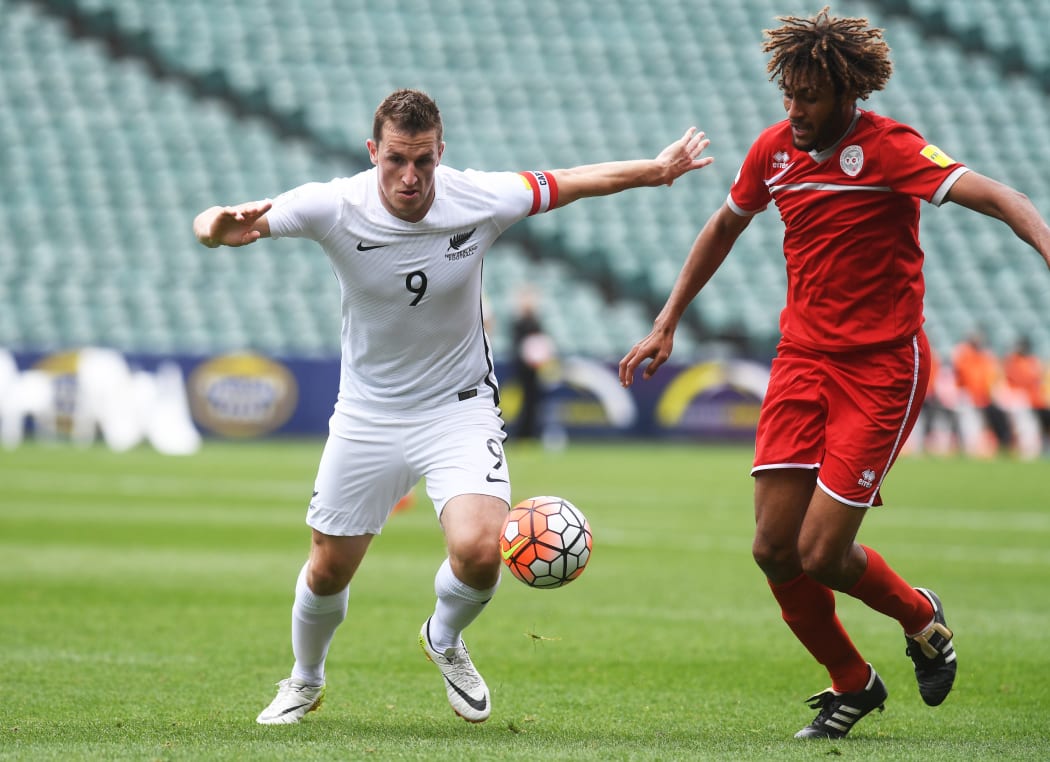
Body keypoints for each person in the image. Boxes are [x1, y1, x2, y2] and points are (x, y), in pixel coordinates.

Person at [193, 88, 713, 725]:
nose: (409, 177)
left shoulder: (480, 197)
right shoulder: (333, 205)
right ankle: (304, 678)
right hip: (368, 413)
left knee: (479, 550)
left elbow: (573, 180)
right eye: (394, 161)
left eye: (423, 161)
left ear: (441, 153)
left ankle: (443, 637)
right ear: (372, 153)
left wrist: (656, 171)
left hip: (458, 408)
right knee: (328, 570)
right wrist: (215, 228)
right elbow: (226, 223)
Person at [619, 8, 1050, 740]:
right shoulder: (773, 152)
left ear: (848, 95)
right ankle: (853, 681)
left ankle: (921, 617)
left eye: (809, 97)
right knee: (771, 549)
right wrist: (668, 319)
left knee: (820, 553)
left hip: (883, 366)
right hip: (802, 361)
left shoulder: (892, 150)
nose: (794, 111)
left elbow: (1001, 197)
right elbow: (723, 225)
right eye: (787, 94)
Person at [510, 287, 555, 441]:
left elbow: (541, 343)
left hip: (535, 369)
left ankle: (531, 433)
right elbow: (520, 346)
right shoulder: (519, 322)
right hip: (524, 368)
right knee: (526, 402)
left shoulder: (536, 321)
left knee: (534, 402)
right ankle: (523, 434)